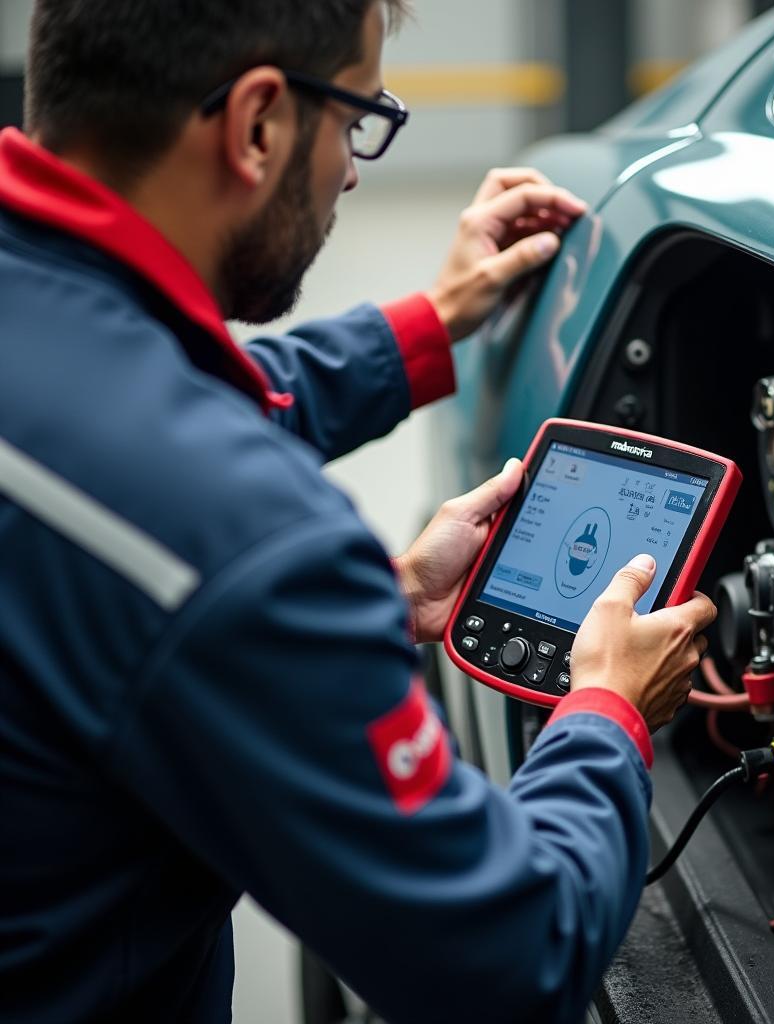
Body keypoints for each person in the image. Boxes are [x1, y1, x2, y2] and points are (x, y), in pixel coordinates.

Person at [0, 2, 715, 1021]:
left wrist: (427, 327)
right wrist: (606, 712)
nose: (350, 170)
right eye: (354, 116)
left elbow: (141, 412)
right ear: (256, 125)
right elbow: (513, 959)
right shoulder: (244, 540)